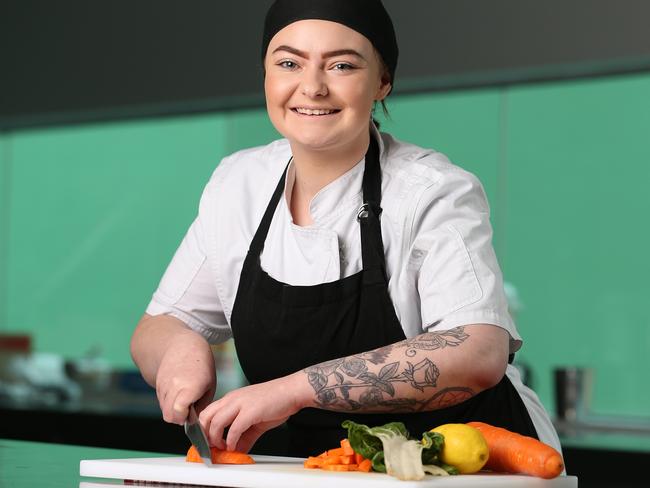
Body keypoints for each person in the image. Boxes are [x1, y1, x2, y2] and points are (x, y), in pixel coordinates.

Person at [130, 0, 562, 458]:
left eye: (341, 65)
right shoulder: (238, 184)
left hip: (469, 466)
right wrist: (179, 350)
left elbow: (478, 352)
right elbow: (159, 325)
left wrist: (296, 389)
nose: (312, 87)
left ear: (382, 82)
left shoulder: (431, 190)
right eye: (289, 63)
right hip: (316, 467)